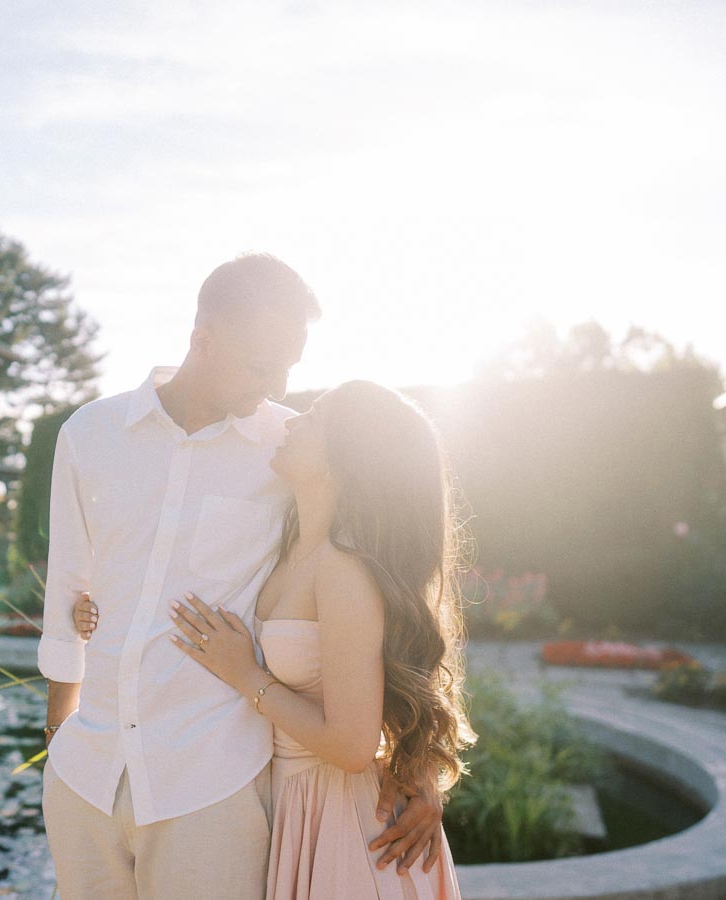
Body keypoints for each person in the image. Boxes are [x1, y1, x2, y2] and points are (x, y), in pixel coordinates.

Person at [38, 255, 446, 900]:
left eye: (290, 366)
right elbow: (68, 587)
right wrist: (59, 730)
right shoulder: (90, 433)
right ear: (204, 340)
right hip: (85, 772)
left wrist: (417, 767)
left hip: (212, 782)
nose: (279, 384)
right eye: (263, 365)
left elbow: (391, 592)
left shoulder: (293, 447)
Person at [75, 380, 474, 898]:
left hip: (346, 822)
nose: (291, 421)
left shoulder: (342, 570)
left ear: (344, 458)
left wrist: (248, 677)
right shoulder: (285, 546)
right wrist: (94, 608)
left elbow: (353, 746)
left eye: (313, 417)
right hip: (291, 806)